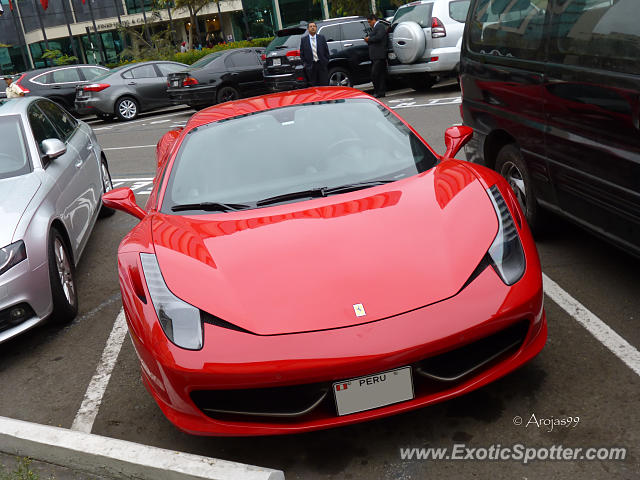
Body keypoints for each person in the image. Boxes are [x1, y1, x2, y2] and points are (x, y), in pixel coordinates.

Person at [364, 14, 388, 98]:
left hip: (379, 55)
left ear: (374, 19)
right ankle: (380, 92)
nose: (369, 24)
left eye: (370, 22)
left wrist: (369, 39)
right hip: (375, 56)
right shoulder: (375, 28)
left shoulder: (380, 26)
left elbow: (379, 37)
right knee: (379, 74)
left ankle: (378, 92)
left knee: (375, 74)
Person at [300, 21, 330, 87]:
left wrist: (325, 61)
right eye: (311, 26)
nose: (312, 28)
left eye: (314, 26)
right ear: (308, 29)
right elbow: (302, 54)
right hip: (310, 66)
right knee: (313, 85)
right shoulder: (304, 40)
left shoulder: (321, 38)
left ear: (316, 28)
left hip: (321, 64)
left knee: (324, 84)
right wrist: (306, 65)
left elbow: (326, 51)